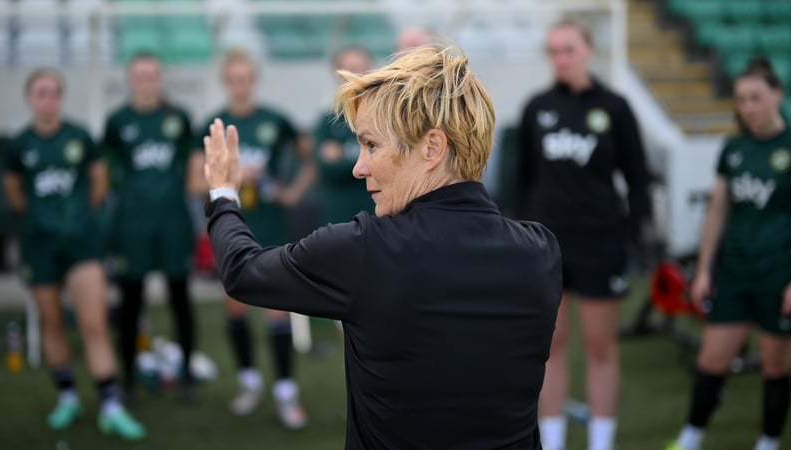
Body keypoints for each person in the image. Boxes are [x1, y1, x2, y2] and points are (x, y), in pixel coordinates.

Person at [203, 45, 562, 449]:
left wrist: (222, 194)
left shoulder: (364, 250)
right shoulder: (541, 251)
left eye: (371, 145)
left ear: (431, 148)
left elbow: (241, 271)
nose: (359, 166)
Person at [516, 19, 649, 450]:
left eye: (569, 50)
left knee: (600, 347)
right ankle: (551, 442)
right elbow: (522, 181)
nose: (561, 59)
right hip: (546, 248)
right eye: (554, 51)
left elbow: (638, 179)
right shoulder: (536, 107)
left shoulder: (614, 107)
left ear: (589, 50)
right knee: (549, 346)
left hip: (599, 244)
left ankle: (600, 442)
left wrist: (630, 236)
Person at [1, 68, 146, 440]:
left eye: (54, 92)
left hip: (82, 243)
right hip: (40, 245)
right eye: (41, 92)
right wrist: (39, 219)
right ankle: (67, 397)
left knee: (94, 324)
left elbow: (99, 182)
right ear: (30, 98)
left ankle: (110, 405)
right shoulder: (19, 145)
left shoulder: (79, 137)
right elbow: (14, 191)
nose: (48, 99)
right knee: (51, 324)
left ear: (61, 97)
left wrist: (79, 218)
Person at [666, 59, 791, 450]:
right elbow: (717, 209)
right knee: (711, 360)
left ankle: (768, 442)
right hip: (736, 271)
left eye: (755, 98)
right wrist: (704, 270)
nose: (747, 107)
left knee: (775, 366)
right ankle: (689, 438)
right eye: (740, 100)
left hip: (779, 272)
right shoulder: (734, 148)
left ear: (777, 95)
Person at [197, 49, 314, 427]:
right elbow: (192, 180)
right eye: (234, 77)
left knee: (276, 310)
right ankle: (249, 381)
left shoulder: (274, 121)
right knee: (236, 307)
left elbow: (309, 158)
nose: (241, 84)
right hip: (232, 228)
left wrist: (291, 191)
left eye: (246, 76)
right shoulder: (214, 124)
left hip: (271, 229)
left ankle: (285, 392)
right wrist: (231, 177)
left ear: (255, 79)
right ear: (225, 80)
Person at [102, 52, 201, 403]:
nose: (146, 81)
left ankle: (187, 373)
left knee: (180, 299)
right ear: (131, 79)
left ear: (161, 78)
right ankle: (127, 380)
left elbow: (193, 161)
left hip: (173, 221)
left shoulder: (179, 117)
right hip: (132, 225)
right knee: (131, 302)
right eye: (140, 75)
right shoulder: (117, 122)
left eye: (152, 75)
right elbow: (106, 171)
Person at [314, 45, 375, 226]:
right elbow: (326, 168)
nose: (352, 76)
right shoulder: (329, 120)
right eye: (346, 71)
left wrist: (343, 156)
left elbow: (393, 162)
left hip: (376, 214)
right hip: (338, 217)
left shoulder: (384, 118)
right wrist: (371, 155)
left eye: (357, 69)